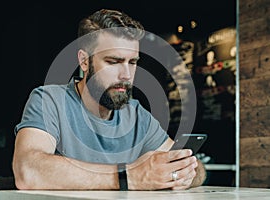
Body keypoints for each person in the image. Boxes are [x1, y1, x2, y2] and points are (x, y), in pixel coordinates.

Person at [12, 8, 206, 191]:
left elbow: (195, 168)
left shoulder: (138, 116)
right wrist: (128, 177)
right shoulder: (49, 101)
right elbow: (27, 171)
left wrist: (185, 175)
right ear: (84, 61)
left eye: (132, 62)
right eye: (113, 62)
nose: (126, 75)